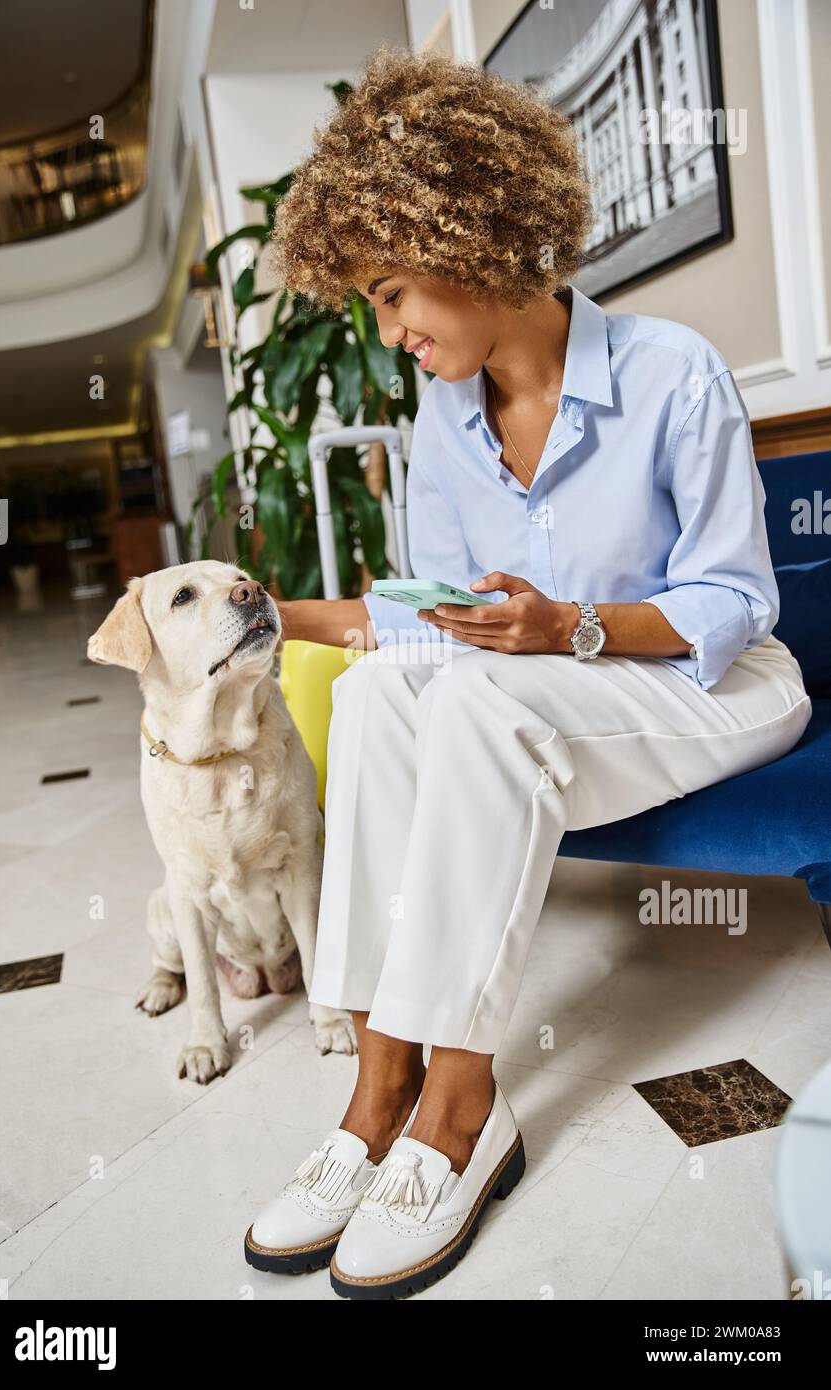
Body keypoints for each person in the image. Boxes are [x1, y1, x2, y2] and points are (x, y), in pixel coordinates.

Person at [242, 48, 811, 1300]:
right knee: (395, 691)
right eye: (376, 314)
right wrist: (280, 614)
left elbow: (734, 601)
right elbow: (437, 627)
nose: (393, 337)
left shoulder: (670, 372)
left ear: (475, 237)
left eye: (396, 297)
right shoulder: (438, 424)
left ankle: (459, 1105)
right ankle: (374, 1090)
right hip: (549, 690)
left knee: (482, 709)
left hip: (715, 685)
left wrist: (573, 627)